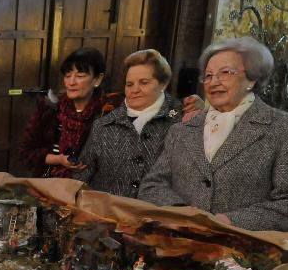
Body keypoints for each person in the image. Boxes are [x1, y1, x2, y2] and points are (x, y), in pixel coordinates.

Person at [139, 37, 288, 232]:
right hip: (181, 245)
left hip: (246, 251)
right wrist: (180, 212)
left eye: (225, 73)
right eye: (208, 75)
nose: (214, 82)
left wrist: (232, 221)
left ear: (251, 78)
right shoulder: (181, 130)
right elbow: (152, 184)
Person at [73, 49, 182, 198]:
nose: (135, 90)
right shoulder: (103, 125)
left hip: (159, 217)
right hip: (107, 216)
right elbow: (80, 178)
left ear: (163, 83)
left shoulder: (182, 121)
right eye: (129, 84)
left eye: (144, 82)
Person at [19, 47, 108, 178]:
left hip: (91, 190)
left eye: (80, 76)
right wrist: (59, 160)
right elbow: (26, 153)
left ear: (97, 79)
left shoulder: (107, 114)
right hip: (50, 187)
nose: (71, 82)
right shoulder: (50, 109)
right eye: (67, 75)